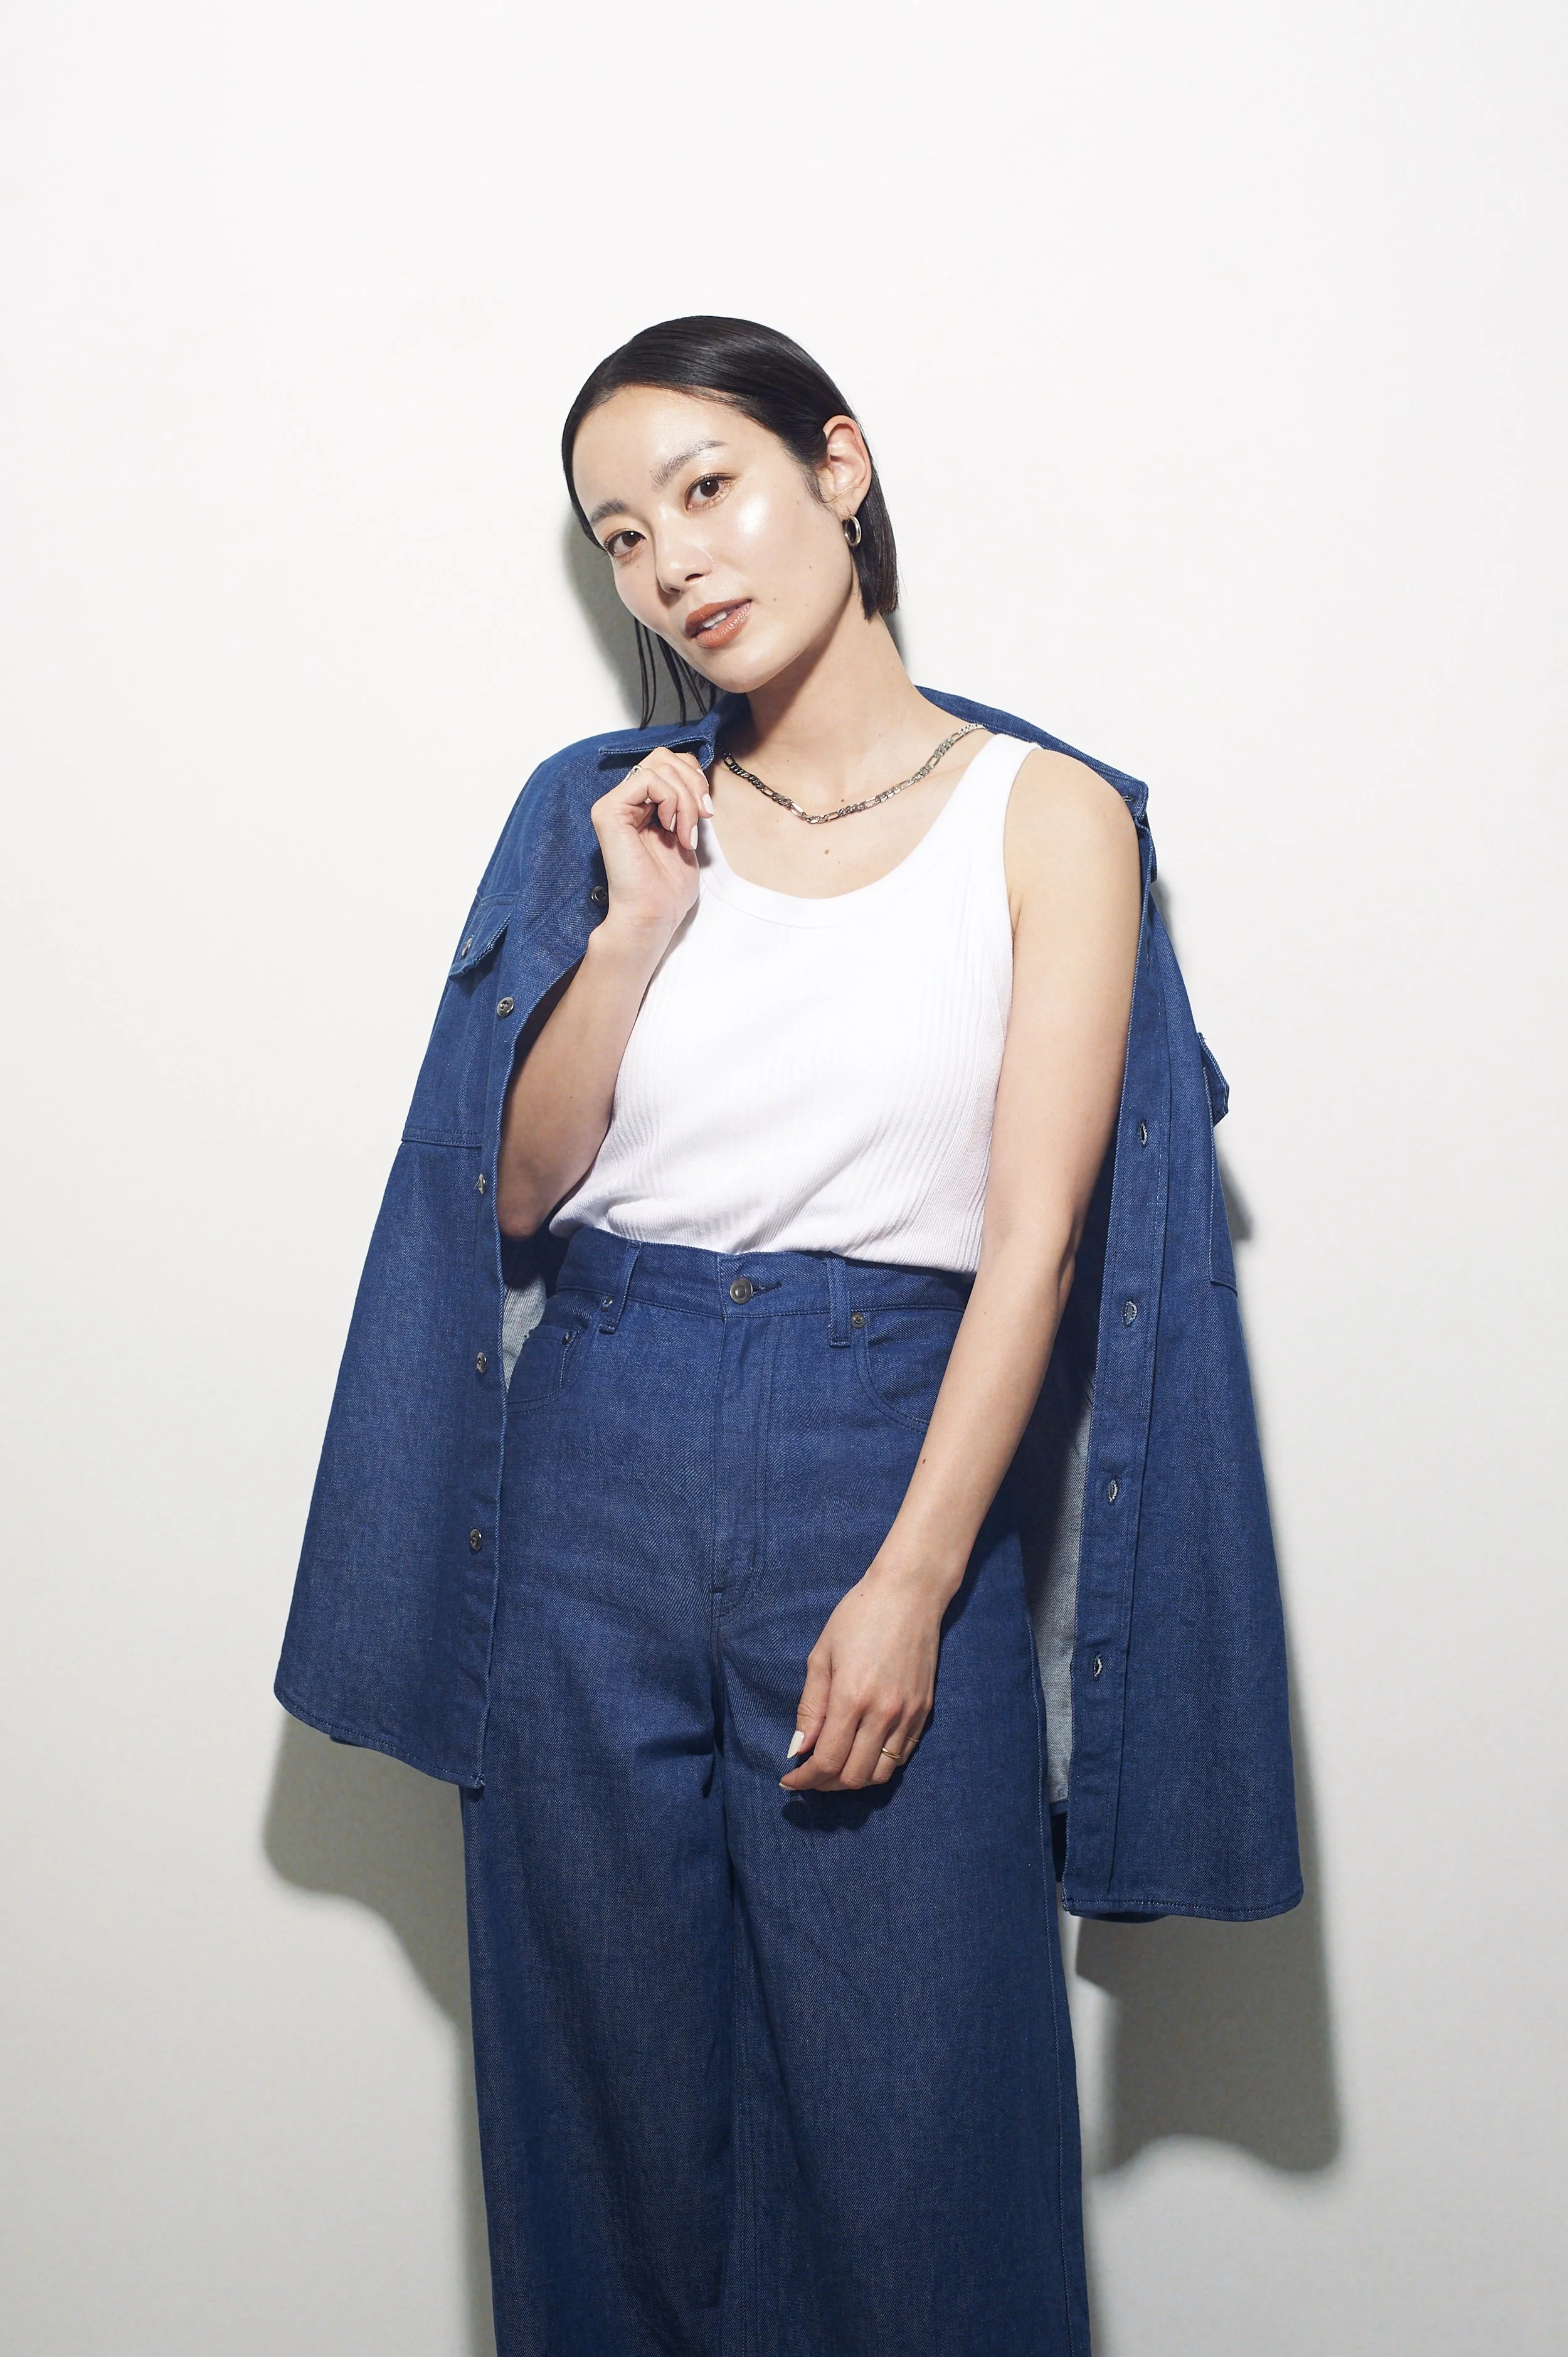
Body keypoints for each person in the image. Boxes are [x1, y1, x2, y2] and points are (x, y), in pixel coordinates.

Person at [276, 316, 1301, 2357]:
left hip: (883, 1456)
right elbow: (514, 1192)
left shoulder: (1051, 814)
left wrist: (915, 1580)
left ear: (838, 467)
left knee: (918, 2125)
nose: (671, 559)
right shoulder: (611, 808)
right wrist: (633, 932)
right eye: (621, 535)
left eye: (706, 487)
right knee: (603, 2111)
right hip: (589, 1471)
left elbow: (1034, 1241)